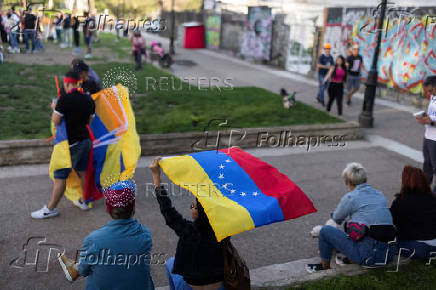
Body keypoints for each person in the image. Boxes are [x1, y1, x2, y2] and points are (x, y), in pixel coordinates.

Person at [58, 180, 155, 290]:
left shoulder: (94, 239)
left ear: (108, 209)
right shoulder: (145, 234)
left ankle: (73, 269)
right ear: (133, 208)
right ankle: (75, 267)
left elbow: (84, 271)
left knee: (92, 261)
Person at [149, 157, 225, 290]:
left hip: (190, 285)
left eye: (194, 206)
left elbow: (167, 210)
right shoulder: (224, 228)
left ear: (200, 212)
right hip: (218, 285)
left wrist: (156, 177)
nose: (191, 207)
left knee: (170, 264)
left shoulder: (188, 231)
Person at [306, 162, 395, 273]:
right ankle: (351, 258)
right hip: (388, 254)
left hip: (369, 258)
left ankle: (324, 267)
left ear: (348, 182)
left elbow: (337, 218)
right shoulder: (379, 194)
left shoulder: (351, 197)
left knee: (325, 231)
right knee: (352, 225)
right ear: (365, 179)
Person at [31, 70, 95, 219]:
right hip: (85, 142)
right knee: (83, 172)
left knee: (60, 176)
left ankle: (51, 208)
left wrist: (55, 107)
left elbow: (55, 121)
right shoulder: (88, 99)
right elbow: (89, 122)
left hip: (69, 144)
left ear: (66, 83)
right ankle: (85, 201)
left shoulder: (64, 100)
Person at [390, 166, 436, 260]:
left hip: (418, 248)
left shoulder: (401, 201)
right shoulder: (432, 199)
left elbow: (391, 223)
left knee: (390, 240)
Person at [417, 76, 436, 193]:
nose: (429, 93)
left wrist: (432, 121)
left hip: (435, 139)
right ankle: (424, 190)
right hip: (428, 135)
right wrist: (424, 119)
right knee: (427, 165)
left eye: (430, 90)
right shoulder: (433, 97)